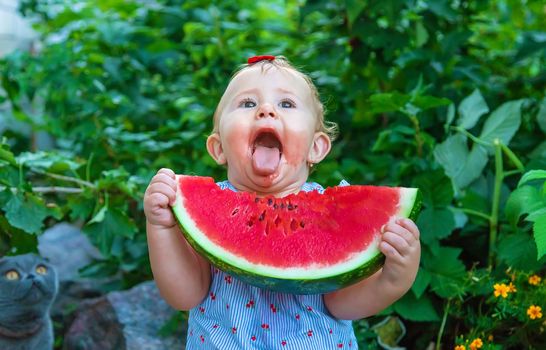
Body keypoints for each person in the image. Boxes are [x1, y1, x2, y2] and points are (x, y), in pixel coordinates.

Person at [143, 56, 421, 349]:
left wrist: (393, 280)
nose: (266, 110)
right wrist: (161, 226)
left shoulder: (336, 216)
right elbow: (184, 295)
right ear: (218, 147)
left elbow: (343, 305)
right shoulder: (201, 210)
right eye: (248, 103)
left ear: (317, 147)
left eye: (286, 104)